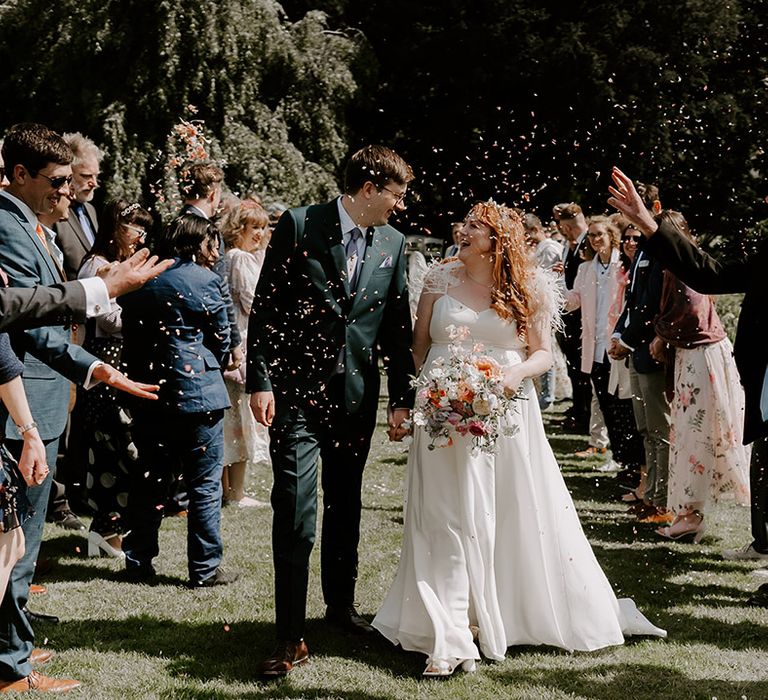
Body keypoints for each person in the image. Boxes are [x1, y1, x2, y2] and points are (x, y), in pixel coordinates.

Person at [372, 201, 665, 676]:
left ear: (497, 240)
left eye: (474, 227)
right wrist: (419, 395)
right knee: (441, 514)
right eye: (463, 224)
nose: (462, 231)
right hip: (444, 409)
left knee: (505, 509)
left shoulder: (525, 286)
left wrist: (512, 378)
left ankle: (503, 611)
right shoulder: (437, 279)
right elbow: (419, 343)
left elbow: (543, 355)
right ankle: (450, 634)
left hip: (505, 411)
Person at [0, 123, 166, 693]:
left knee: (24, 542)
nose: (68, 194)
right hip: (16, 412)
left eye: (71, 182)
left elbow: (37, 326)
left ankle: (12, 648)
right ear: (19, 174)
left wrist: (94, 369)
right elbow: (14, 315)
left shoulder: (36, 225)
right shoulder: (6, 223)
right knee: (14, 545)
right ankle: (9, 666)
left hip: (44, 401)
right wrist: (103, 291)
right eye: (57, 182)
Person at [247, 144, 415, 677]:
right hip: (296, 396)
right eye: (396, 193)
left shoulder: (393, 241)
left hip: (358, 398)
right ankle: (289, 635)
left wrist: (402, 398)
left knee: (347, 505)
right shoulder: (299, 224)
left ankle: (340, 610)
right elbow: (267, 310)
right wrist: (261, 381)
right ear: (368, 188)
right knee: (295, 508)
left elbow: (395, 324)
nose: (400, 205)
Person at [120, 214, 235, 587]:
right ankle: (203, 569)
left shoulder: (142, 279)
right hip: (199, 392)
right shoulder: (207, 279)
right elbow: (222, 339)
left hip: (150, 390)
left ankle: (138, 563)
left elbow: (132, 336)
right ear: (197, 242)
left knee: (149, 477)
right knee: (204, 483)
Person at [647, 210, 750, 542]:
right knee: (694, 434)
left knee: (696, 436)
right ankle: (691, 513)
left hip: (700, 359)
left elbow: (691, 314)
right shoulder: (683, 264)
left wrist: (662, 334)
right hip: (698, 357)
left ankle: (690, 514)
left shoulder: (680, 269)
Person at [72, 199, 154, 558]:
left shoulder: (114, 263)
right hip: (104, 362)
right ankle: (106, 531)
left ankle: (108, 533)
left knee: (119, 449)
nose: (140, 237)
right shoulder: (98, 265)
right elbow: (106, 319)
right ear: (118, 228)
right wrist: (145, 314)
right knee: (114, 449)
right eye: (136, 229)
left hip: (118, 362)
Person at [563, 216, 644, 477]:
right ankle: (619, 457)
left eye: (600, 234)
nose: (595, 239)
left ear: (611, 236)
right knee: (606, 406)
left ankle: (633, 462)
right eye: (591, 236)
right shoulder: (586, 269)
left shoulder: (623, 265)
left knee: (625, 408)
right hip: (594, 348)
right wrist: (552, 288)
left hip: (618, 346)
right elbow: (573, 300)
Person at [608, 182, 670, 517]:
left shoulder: (661, 248)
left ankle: (663, 501)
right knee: (645, 428)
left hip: (652, 349)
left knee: (660, 429)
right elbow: (632, 301)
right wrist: (619, 334)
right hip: (635, 348)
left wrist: (629, 340)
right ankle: (652, 494)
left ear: (654, 208)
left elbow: (650, 305)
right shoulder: (643, 250)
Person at [219, 199, 270, 507]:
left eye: (263, 228)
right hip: (243, 344)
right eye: (254, 227)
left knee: (236, 420)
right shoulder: (239, 259)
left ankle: (232, 491)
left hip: (241, 344)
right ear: (239, 228)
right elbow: (255, 302)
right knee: (236, 421)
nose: (260, 234)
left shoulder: (241, 257)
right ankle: (234, 493)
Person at [553, 202, 592, 434]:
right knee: (573, 368)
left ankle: (584, 416)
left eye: (562, 225)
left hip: (582, 318)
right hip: (569, 314)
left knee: (582, 370)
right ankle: (578, 410)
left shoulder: (589, 242)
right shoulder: (569, 246)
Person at [54, 133, 102, 280]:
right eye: (86, 176)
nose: (94, 183)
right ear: (68, 173)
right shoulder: (53, 213)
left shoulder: (90, 210)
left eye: (96, 176)